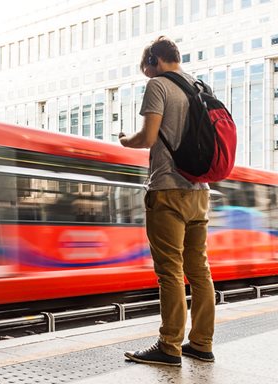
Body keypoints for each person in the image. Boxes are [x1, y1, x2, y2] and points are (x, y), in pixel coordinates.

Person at [119, 36, 216, 366]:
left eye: (146, 69)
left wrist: (124, 140)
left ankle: (169, 346)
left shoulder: (159, 85)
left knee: (170, 272)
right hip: (200, 192)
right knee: (200, 272)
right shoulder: (200, 86)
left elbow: (147, 137)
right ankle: (201, 343)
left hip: (167, 190)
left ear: (155, 60)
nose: (147, 75)